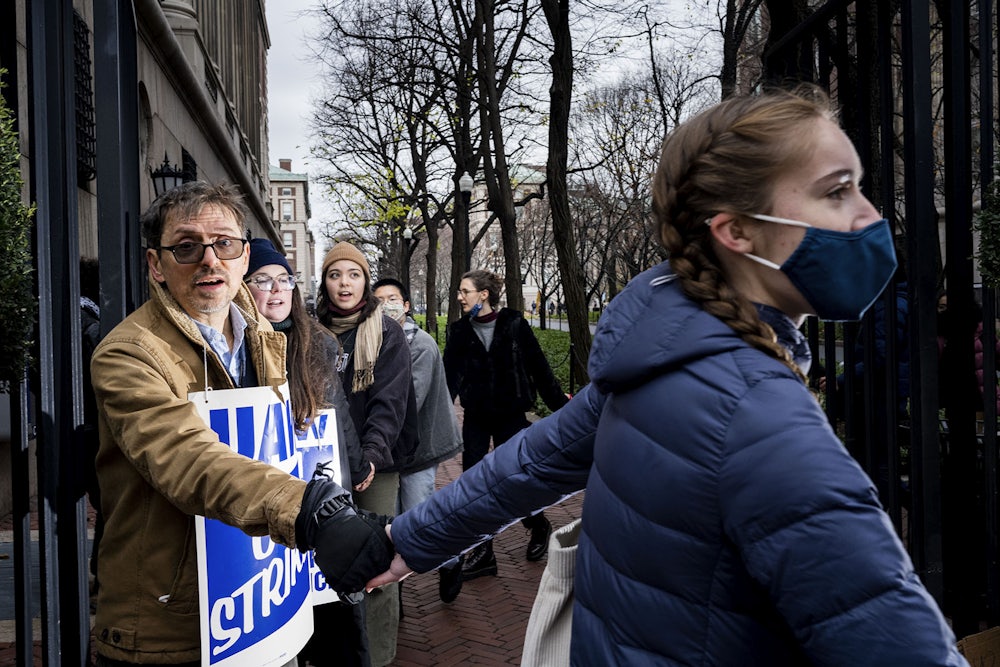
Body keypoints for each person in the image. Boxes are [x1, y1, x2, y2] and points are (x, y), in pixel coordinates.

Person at [367, 88, 967, 664]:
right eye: (837, 191)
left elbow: (523, 467)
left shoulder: (660, 353)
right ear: (736, 231)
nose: (868, 214)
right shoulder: (759, 415)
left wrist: (401, 545)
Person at [89, 182, 392, 666]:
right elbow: (188, 459)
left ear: (243, 256)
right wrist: (314, 511)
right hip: (173, 625)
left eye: (224, 244)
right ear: (156, 265)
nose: (209, 260)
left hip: (262, 604)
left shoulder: (264, 336)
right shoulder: (128, 352)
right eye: (186, 247)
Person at [243, 238, 372, 667]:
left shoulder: (317, 343)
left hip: (316, 487)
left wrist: (355, 468)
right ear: (243, 288)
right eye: (263, 280)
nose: (277, 290)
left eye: (285, 280)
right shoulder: (228, 347)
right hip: (256, 494)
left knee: (330, 609)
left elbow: (338, 416)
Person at [316, 242, 418, 667]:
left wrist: (372, 455)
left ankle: (377, 655)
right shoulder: (308, 329)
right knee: (325, 561)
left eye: (353, 274)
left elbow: (388, 404)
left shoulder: (387, 332)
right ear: (325, 281)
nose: (344, 283)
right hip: (325, 463)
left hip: (378, 464)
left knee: (378, 558)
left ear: (366, 281)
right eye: (336, 274)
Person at [442, 270, 568, 582]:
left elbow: (539, 367)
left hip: (511, 414)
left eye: (465, 291)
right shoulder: (459, 331)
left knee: (518, 479)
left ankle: (538, 525)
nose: (460, 297)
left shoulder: (514, 324)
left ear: (483, 294)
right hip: (476, 416)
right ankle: (484, 552)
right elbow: (447, 381)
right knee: (473, 483)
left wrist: (564, 410)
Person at [371, 277, 463, 603]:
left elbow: (408, 401)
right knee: (392, 523)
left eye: (393, 299)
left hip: (420, 449)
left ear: (406, 306)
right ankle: (395, 597)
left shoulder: (419, 344)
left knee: (419, 517)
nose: (386, 306)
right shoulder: (374, 341)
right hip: (391, 452)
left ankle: (451, 559)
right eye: (379, 300)